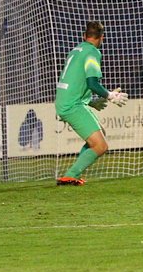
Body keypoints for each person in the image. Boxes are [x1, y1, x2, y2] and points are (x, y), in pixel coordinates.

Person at [54, 21, 128, 186]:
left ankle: (72, 174)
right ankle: (70, 176)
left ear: (84, 36)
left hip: (67, 101)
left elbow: (76, 81)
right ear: (102, 38)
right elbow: (92, 83)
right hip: (72, 105)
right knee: (100, 146)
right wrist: (110, 96)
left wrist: (91, 102)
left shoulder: (76, 50)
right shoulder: (92, 53)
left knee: (99, 135)